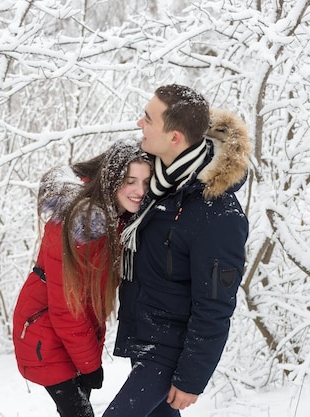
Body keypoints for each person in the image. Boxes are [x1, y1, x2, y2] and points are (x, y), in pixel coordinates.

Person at [103, 85, 251, 417]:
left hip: (170, 353)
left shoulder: (216, 213)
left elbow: (215, 303)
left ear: (174, 137)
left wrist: (191, 378)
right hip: (144, 339)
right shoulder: (157, 184)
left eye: (148, 118)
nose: (139, 122)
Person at [12, 139, 152, 417]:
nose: (139, 191)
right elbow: (68, 308)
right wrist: (90, 365)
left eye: (146, 182)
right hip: (46, 335)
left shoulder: (113, 215)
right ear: (111, 179)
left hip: (68, 338)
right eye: (130, 181)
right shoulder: (82, 227)